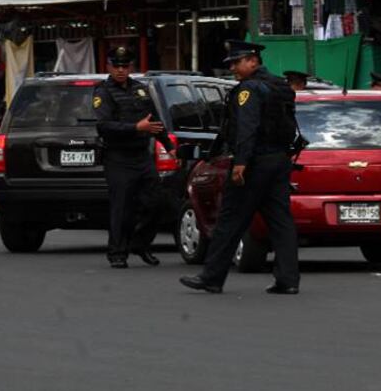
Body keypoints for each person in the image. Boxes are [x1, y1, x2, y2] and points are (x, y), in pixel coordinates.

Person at [180, 40, 301, 295]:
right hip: (279, 161)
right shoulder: (280, 86)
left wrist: (241, 162)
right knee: (281, 221)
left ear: (253, 61)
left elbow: (248, 127)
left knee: (230, 219)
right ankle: (288, 280)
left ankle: (211, 277)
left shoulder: (249, 90)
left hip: (254, 162)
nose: (233, 68)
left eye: (237, 62)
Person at [93, 46, 172, 268]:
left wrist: (169, 146)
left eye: (125, 66)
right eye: (116, 66)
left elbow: (154, 122)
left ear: (131, 67)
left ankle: (140, 243)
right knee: (122, 207)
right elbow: (104, 126)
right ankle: (117, 253)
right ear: (108, 66)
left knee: (156, 202)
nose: (120, 70)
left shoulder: (140, 89)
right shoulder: (103, 92)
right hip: (118, 157)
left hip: (141, 156)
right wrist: (136, 127)